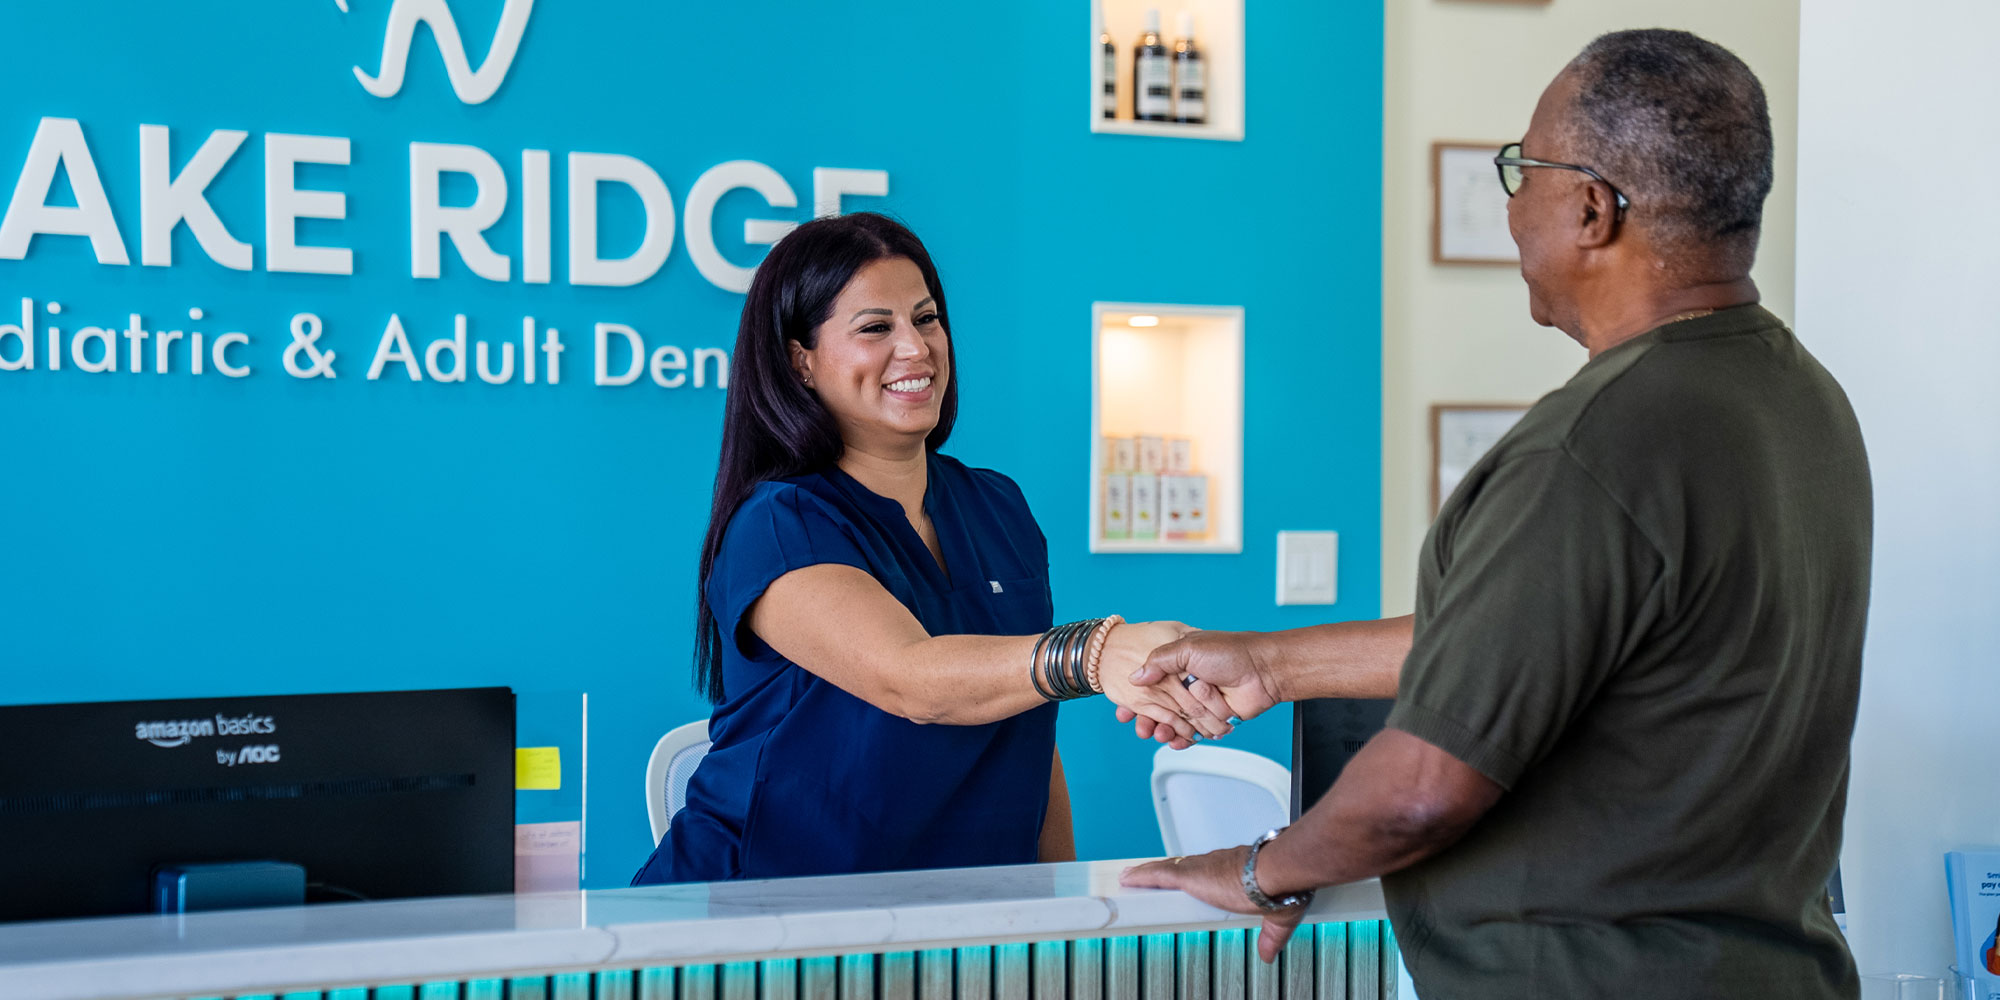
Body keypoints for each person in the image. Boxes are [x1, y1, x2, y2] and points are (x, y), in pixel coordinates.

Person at [1121, 29, 1871, 1000]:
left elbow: (1422, 790)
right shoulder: (1798, 400)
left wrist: (1261, 866)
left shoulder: (1597, 442)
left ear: (1590, 208)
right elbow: (1546, 635)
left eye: (1521, 170)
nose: (1510, 206)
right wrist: (1271, 661)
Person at [632, 213, 1224, 885]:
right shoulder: (779, 523)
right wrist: (1092, 652)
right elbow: (909, 677)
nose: (915, 349)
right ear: (801, 360)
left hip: (962, 913)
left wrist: (1060, 913)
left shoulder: (996, 506)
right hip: (760, 916)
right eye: (875, 328)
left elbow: (1026, 733)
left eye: (927, 319)